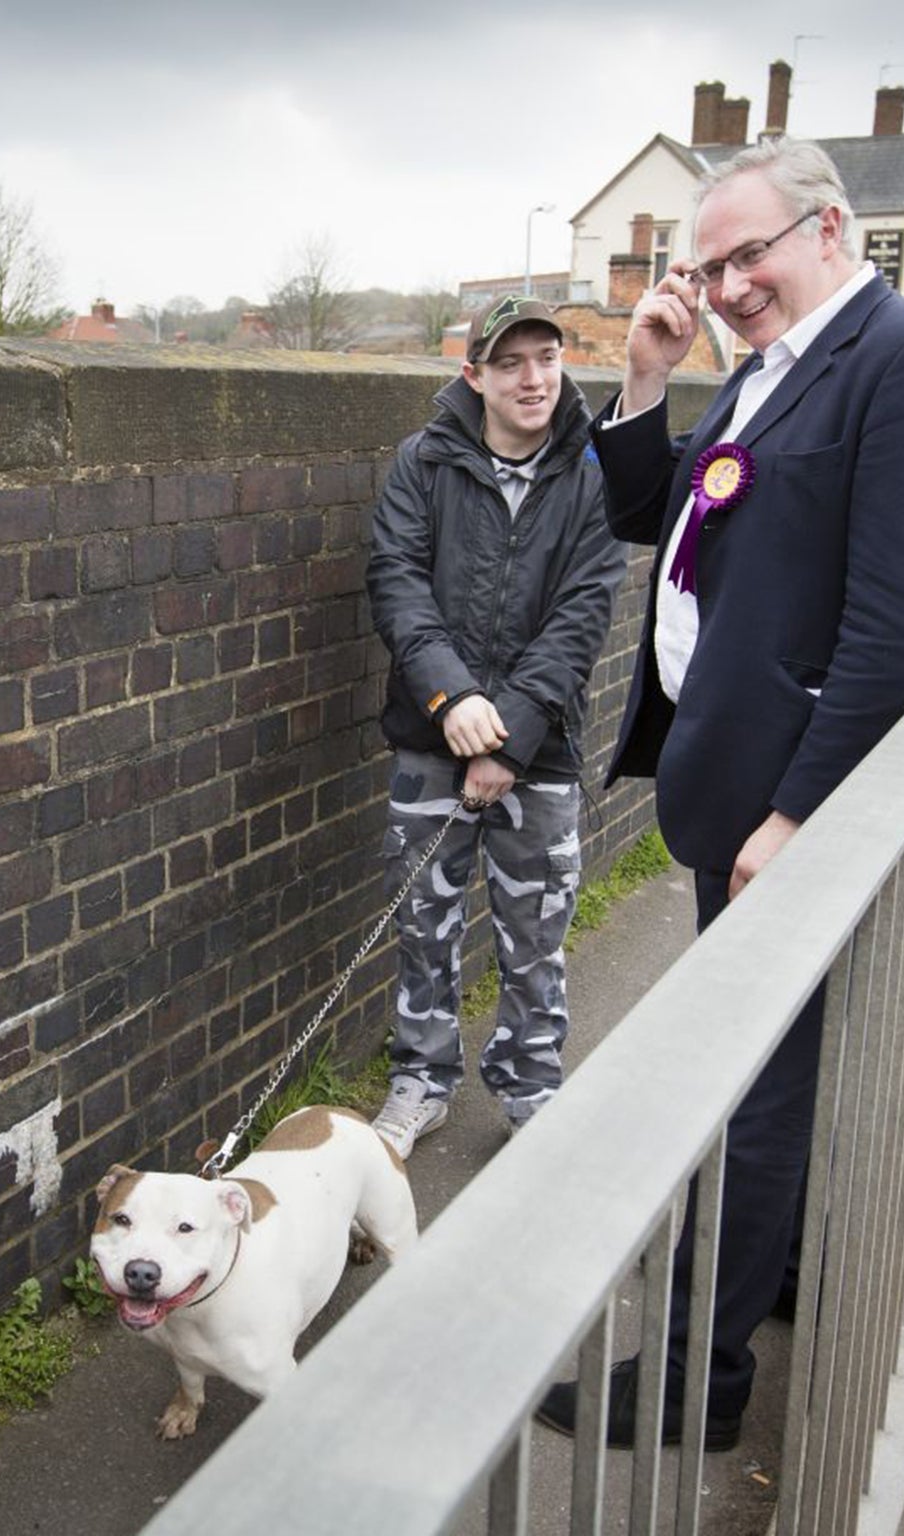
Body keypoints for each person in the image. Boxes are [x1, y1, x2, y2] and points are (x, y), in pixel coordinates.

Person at [534, 137, 904, 1452]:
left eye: (750, 255)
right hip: (734, 789)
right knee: (767, 1075)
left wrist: (798, 813)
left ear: (832, 233)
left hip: (791, 810)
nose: (729, 283)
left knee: (753, 1089)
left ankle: (697, 1382)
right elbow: (657, 521)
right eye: (709, 264)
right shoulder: (766, 375)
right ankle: (776, 1271)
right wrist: (643, 374)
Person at [364, 295, 629, 1158]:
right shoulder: (424, 462)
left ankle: (530, 1087)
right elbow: (398, 582)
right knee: (424, 929)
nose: (533, 378)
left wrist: (507, 737)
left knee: (536, 935)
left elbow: (583, 612)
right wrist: (453, 701)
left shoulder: (591, 473)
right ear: (472, 373)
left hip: (540, 751)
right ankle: (421, 1081)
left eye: (546, 357)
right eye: (510, 361)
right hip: (428, 742)